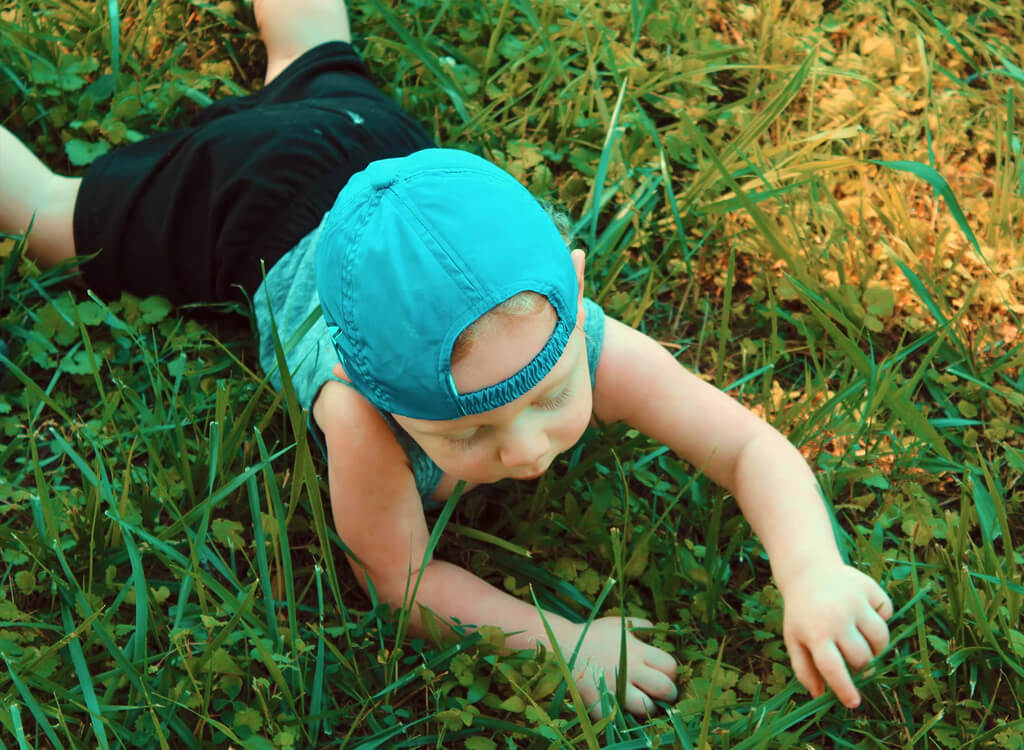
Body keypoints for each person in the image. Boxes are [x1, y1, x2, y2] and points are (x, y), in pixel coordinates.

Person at [0, 0, 894, 718]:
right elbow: (400, 578)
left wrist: (813, 567)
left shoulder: (571, 334)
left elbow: (745, 447)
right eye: (469, 431)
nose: (528, 451)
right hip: (248, 199)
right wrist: (559, 641)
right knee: (46, 215)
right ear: (366, 384)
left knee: (314, 38)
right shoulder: (359, 415)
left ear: (574, 292)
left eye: (548, 398)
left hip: (371, 143)